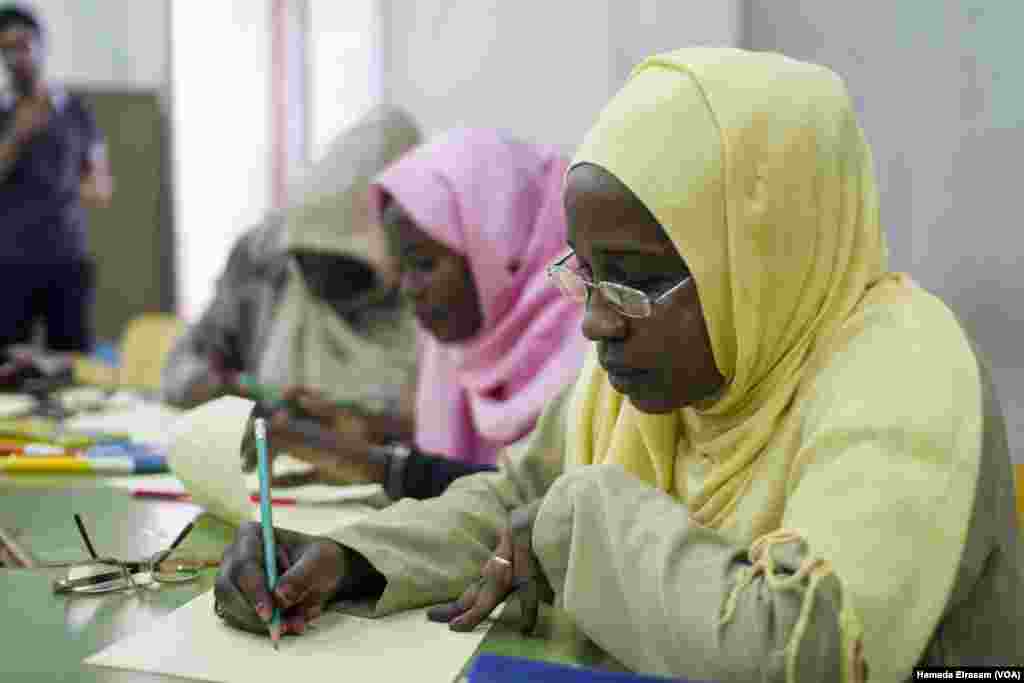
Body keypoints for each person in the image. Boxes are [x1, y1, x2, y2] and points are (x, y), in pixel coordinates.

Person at [214, 48, 1024, 680]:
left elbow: (804, 645)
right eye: (586, 273)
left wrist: (586, 519)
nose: (596, 320)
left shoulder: (902, 370)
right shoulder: (658, 367)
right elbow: (517, 497)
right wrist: (355, 558)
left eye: (636, 280)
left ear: (761, 256)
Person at [262, 128, 587, 497]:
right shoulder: (466, 344)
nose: (408, 288)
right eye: (400, 269)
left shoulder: (596, 347)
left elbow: (546, 504)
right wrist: (370, 431)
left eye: (423, 265)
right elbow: (462, 465)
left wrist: (377, 465)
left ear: (497, 248)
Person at [161, 105, 422, 437]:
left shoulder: (428, 284)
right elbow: (181, 367)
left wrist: (364, 429)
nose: (320, 278)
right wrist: (224, 393)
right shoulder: (266, 260)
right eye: (308, 257)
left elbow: (451, 442)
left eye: (343, 261)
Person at [0, 4, 113, 352]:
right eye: (5, 49)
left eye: (23, 45)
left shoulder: (77, 111)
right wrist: (17, 135)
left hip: (67, 262)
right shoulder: (3, 115)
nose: (16, 56)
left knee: (72, 366)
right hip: (10, 264)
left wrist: (74, 187)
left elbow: (101, 186)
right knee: (8, 369)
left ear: (41, 46)